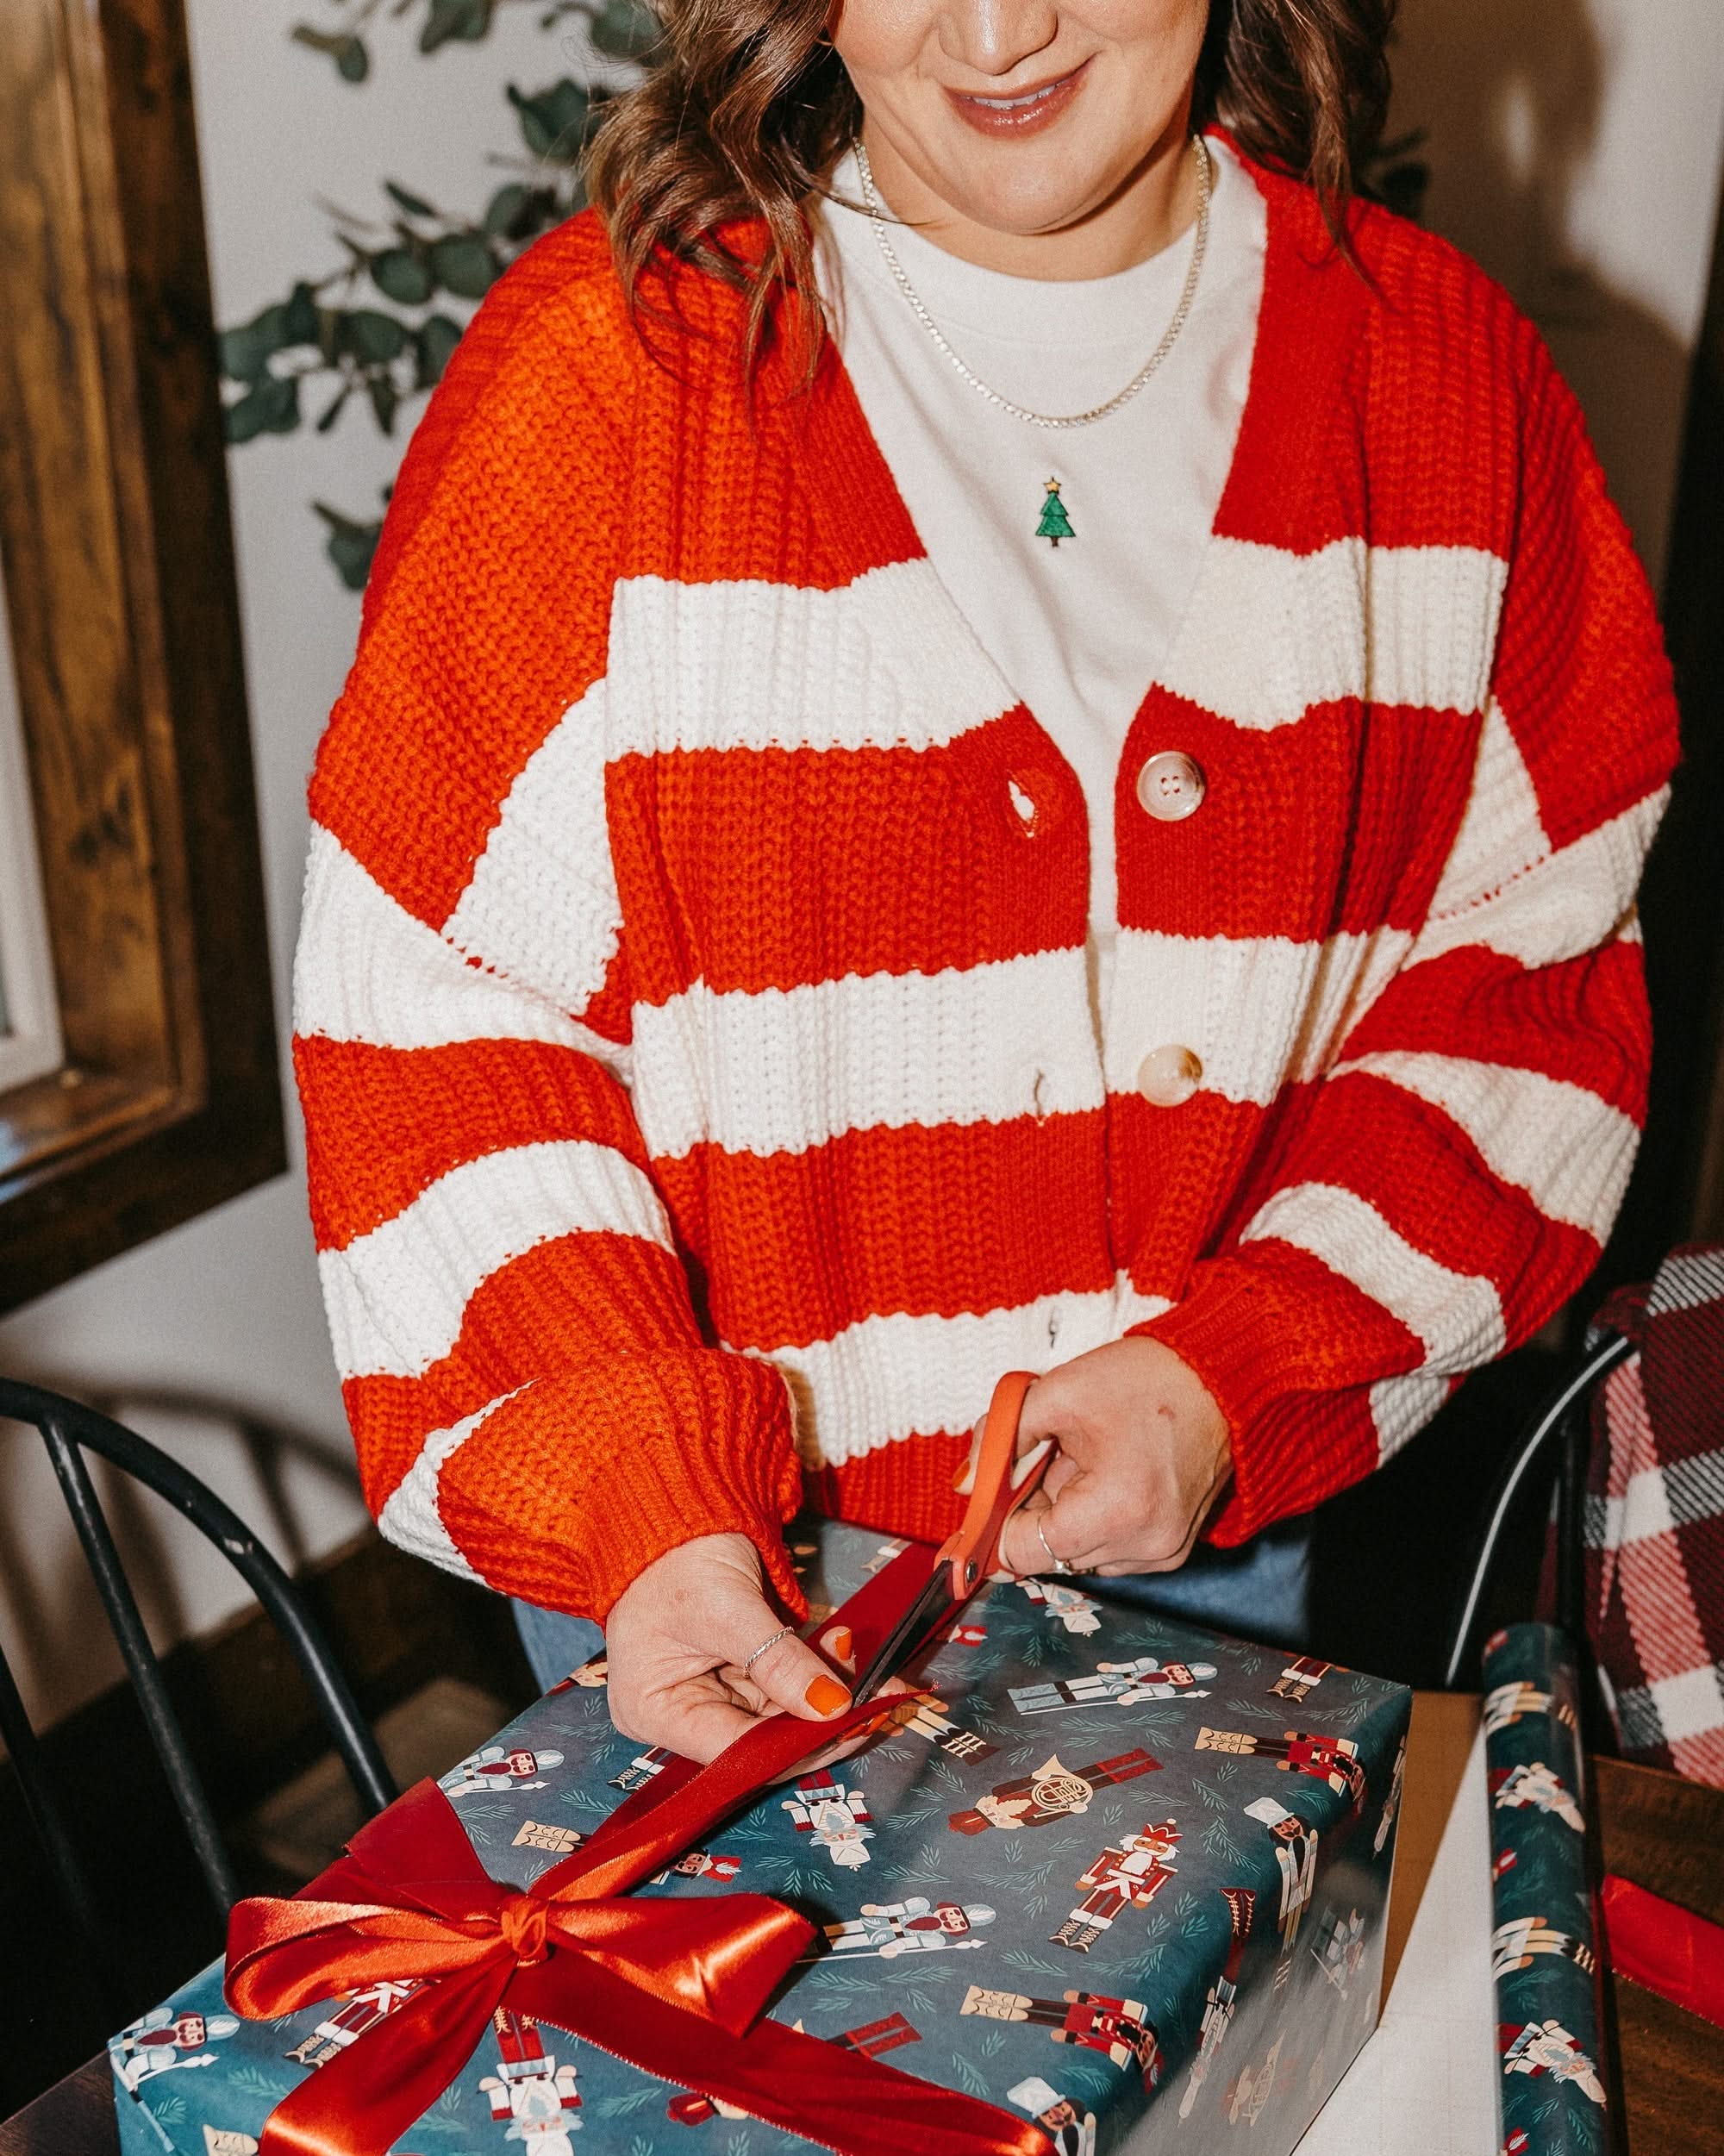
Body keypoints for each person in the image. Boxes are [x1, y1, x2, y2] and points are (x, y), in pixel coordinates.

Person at [292, 0, 1678, 1765]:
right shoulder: (609, 381)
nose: (998, 29)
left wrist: (1229, 1375)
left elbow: (1523, 990)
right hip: (700, 1584)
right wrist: (653, 1509)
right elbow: (438, 1029)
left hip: (1206, 1543)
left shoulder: (1447, 378)